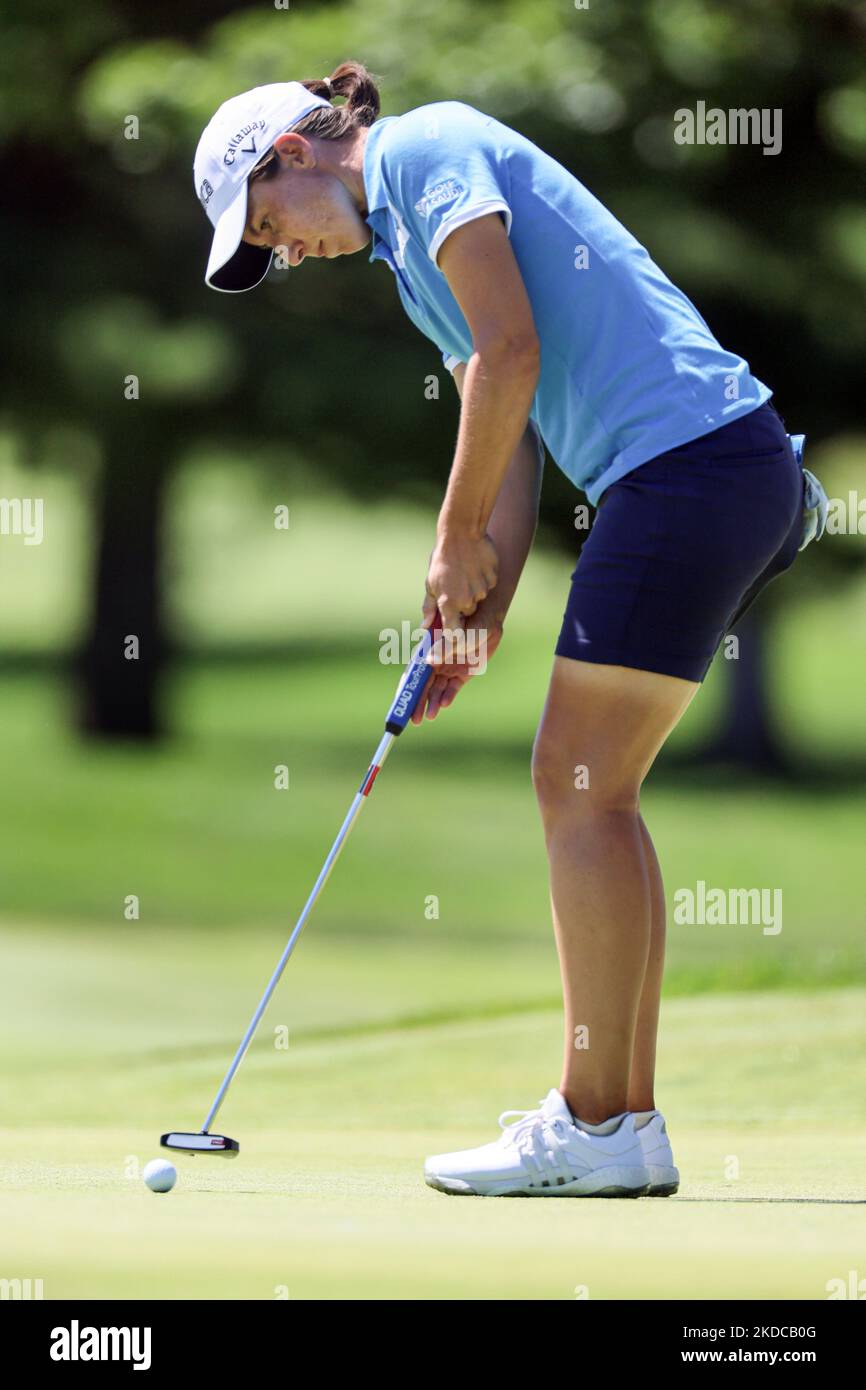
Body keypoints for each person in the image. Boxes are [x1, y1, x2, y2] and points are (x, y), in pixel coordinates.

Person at [194, 62, 822, 1198]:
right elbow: (512, 436)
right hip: (707, 470)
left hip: (686, 467)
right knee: (595, 792)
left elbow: (512, 354)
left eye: (267, 225)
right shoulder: (400, 252)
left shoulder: (428, 150)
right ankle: (617, 1123)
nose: (283, 252)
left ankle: (593, 1124)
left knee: (573, 785)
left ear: (288, 152)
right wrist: (472, 611)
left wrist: (448, 539)